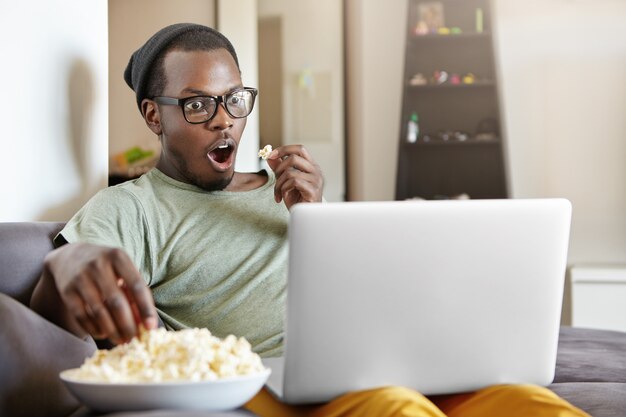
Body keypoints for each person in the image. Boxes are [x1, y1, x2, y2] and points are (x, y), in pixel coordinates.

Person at [25, 23, 588, 417]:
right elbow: (58, 300)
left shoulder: (288, 191)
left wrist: (315, 220)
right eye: (198, 105)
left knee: (532, 404)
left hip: (379, 357)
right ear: (155, 116)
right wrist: (68, 259)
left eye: (235, 100)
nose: (225, 123)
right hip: (275, 383)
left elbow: (364, 291)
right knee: (396, 410)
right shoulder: (132, 206)